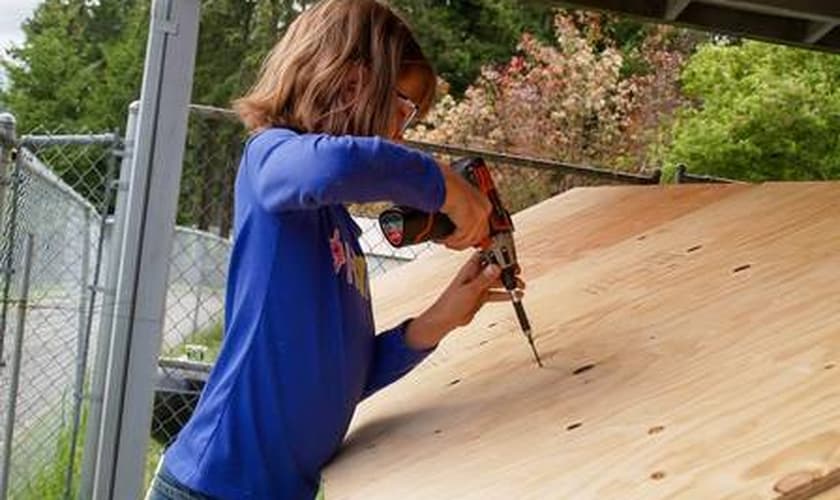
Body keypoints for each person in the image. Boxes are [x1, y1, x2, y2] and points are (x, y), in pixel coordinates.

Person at [149, 1, 518, 498]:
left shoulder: (338, 230)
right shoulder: (270, 157)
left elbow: (343, 378)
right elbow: (331, 169)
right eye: (402, 108)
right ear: (351, 80)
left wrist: (440, 319)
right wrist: (442, 183)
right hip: (211, 486)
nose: (399, 132)